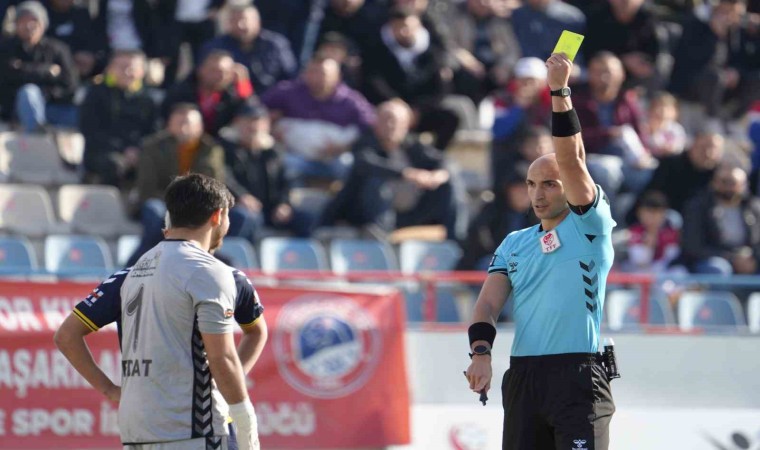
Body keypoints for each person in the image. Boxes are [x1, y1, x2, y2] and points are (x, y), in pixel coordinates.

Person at [465, 53, 616, 449]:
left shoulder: (590, 227)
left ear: (571, 185)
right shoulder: (514, 243)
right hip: (524, 379)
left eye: (550, 183)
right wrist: (481, 352)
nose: (538, 193)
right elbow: (487, 305)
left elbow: (571, 158)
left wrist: (559, 91)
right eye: (532, 184)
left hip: (578, 376)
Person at [54, 173, 261, 449]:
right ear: (218, 215)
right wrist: (245, 422)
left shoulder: (128, 275)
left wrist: (109, 389)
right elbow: (225, 354)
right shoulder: (213, 273)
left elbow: (66, 335)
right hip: (195, 431)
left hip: (137, 430)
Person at [319, 99, 465, 240]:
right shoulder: (365, 143)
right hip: (366, 217)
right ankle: (380, 237)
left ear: (406, 126)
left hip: (407, 214)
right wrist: (406, 174)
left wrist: (440, 175)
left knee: (450, 182)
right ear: (376, 123)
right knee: (377, 181)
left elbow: (445, 161)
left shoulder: (412, 147)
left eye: (396, 121)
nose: (390, 125)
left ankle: (456, 239)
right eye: (385, 120)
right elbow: (367, 164)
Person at [127, 103, 227, 266]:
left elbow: (215, 185)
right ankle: (138, 263)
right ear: (169, 125)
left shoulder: (211, 149)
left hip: (198, 205)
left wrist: (190, 204)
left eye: (188, 123)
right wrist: (177, 204)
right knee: (154, 211)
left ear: (199, 127)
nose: (184, 128)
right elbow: (147, 188)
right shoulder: (152, 147)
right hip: (162, 202)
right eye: (179, 123)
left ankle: (210, 261)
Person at [262, 53, 376, 183]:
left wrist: (346, 147)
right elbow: (256, 111)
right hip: (292, 156)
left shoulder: (351, 101)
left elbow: (370, 125)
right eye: (312, 72)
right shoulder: (287, 91)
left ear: (337, 76)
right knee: (275, 163)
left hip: (332, 160)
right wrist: (270, 128)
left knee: (348, 164)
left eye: (323, 74)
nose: (317, 77)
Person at [223, 100, 315, 240]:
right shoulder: (226, 148)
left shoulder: (274, 152)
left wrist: (284, 204)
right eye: (248, 121)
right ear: (237, 122)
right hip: (240, 207)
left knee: (306, 220)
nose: (254, 127)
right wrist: (240, 196)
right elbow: (223, 177)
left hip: (271, 209)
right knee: (244, 218)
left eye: (259, 121)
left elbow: (288, 180)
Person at [79, 50, 158, 187]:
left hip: (138, 152)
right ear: (110, 69)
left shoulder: (147, 99)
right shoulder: (96, 93)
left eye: (132, 68)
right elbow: (91, 130)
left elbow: (152, 132)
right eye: (121, 67)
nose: (127, 72)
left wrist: (137, 149)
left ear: (141, 72)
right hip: (102, 151)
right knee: (113, 165)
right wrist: (123, 150)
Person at [0, 0, 78, 131]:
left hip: (53, 107)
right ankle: (36, 134)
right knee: (29, 92)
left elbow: (70, 85)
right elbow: (8, 78)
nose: (29, 26)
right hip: (16, 110)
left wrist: (45, 93)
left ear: (43, 25)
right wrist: (48, 71)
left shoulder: (58, 49)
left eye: (34, 21)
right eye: (23, 21)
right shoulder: (6, 48)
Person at [199, 1, 297, 94]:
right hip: (229, 101)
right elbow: (202, 79)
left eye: (244, 20)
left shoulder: (276, 44)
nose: (240, 25)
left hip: (272, 99)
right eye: (234, 20)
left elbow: (290, 77)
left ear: (257, 21)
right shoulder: (215, 47)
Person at [681, 165, 760, 275]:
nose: (728, 187)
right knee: (717, 268)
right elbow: (693, 246)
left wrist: (753, 257)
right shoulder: (698, 207)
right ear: (714, 183)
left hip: (749, 259)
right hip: (714, 259)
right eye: (724, 182)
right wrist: (730, 258)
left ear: (744, 185)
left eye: (733, 183)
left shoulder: (755, 208)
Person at [162, 50, 253, 138]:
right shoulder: (181, 91)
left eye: (226, 72)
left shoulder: (232, 95)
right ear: (200, 69)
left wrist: (243, 83)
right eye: (213, 70)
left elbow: (251, 111)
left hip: (220, 143)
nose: (220, 76)